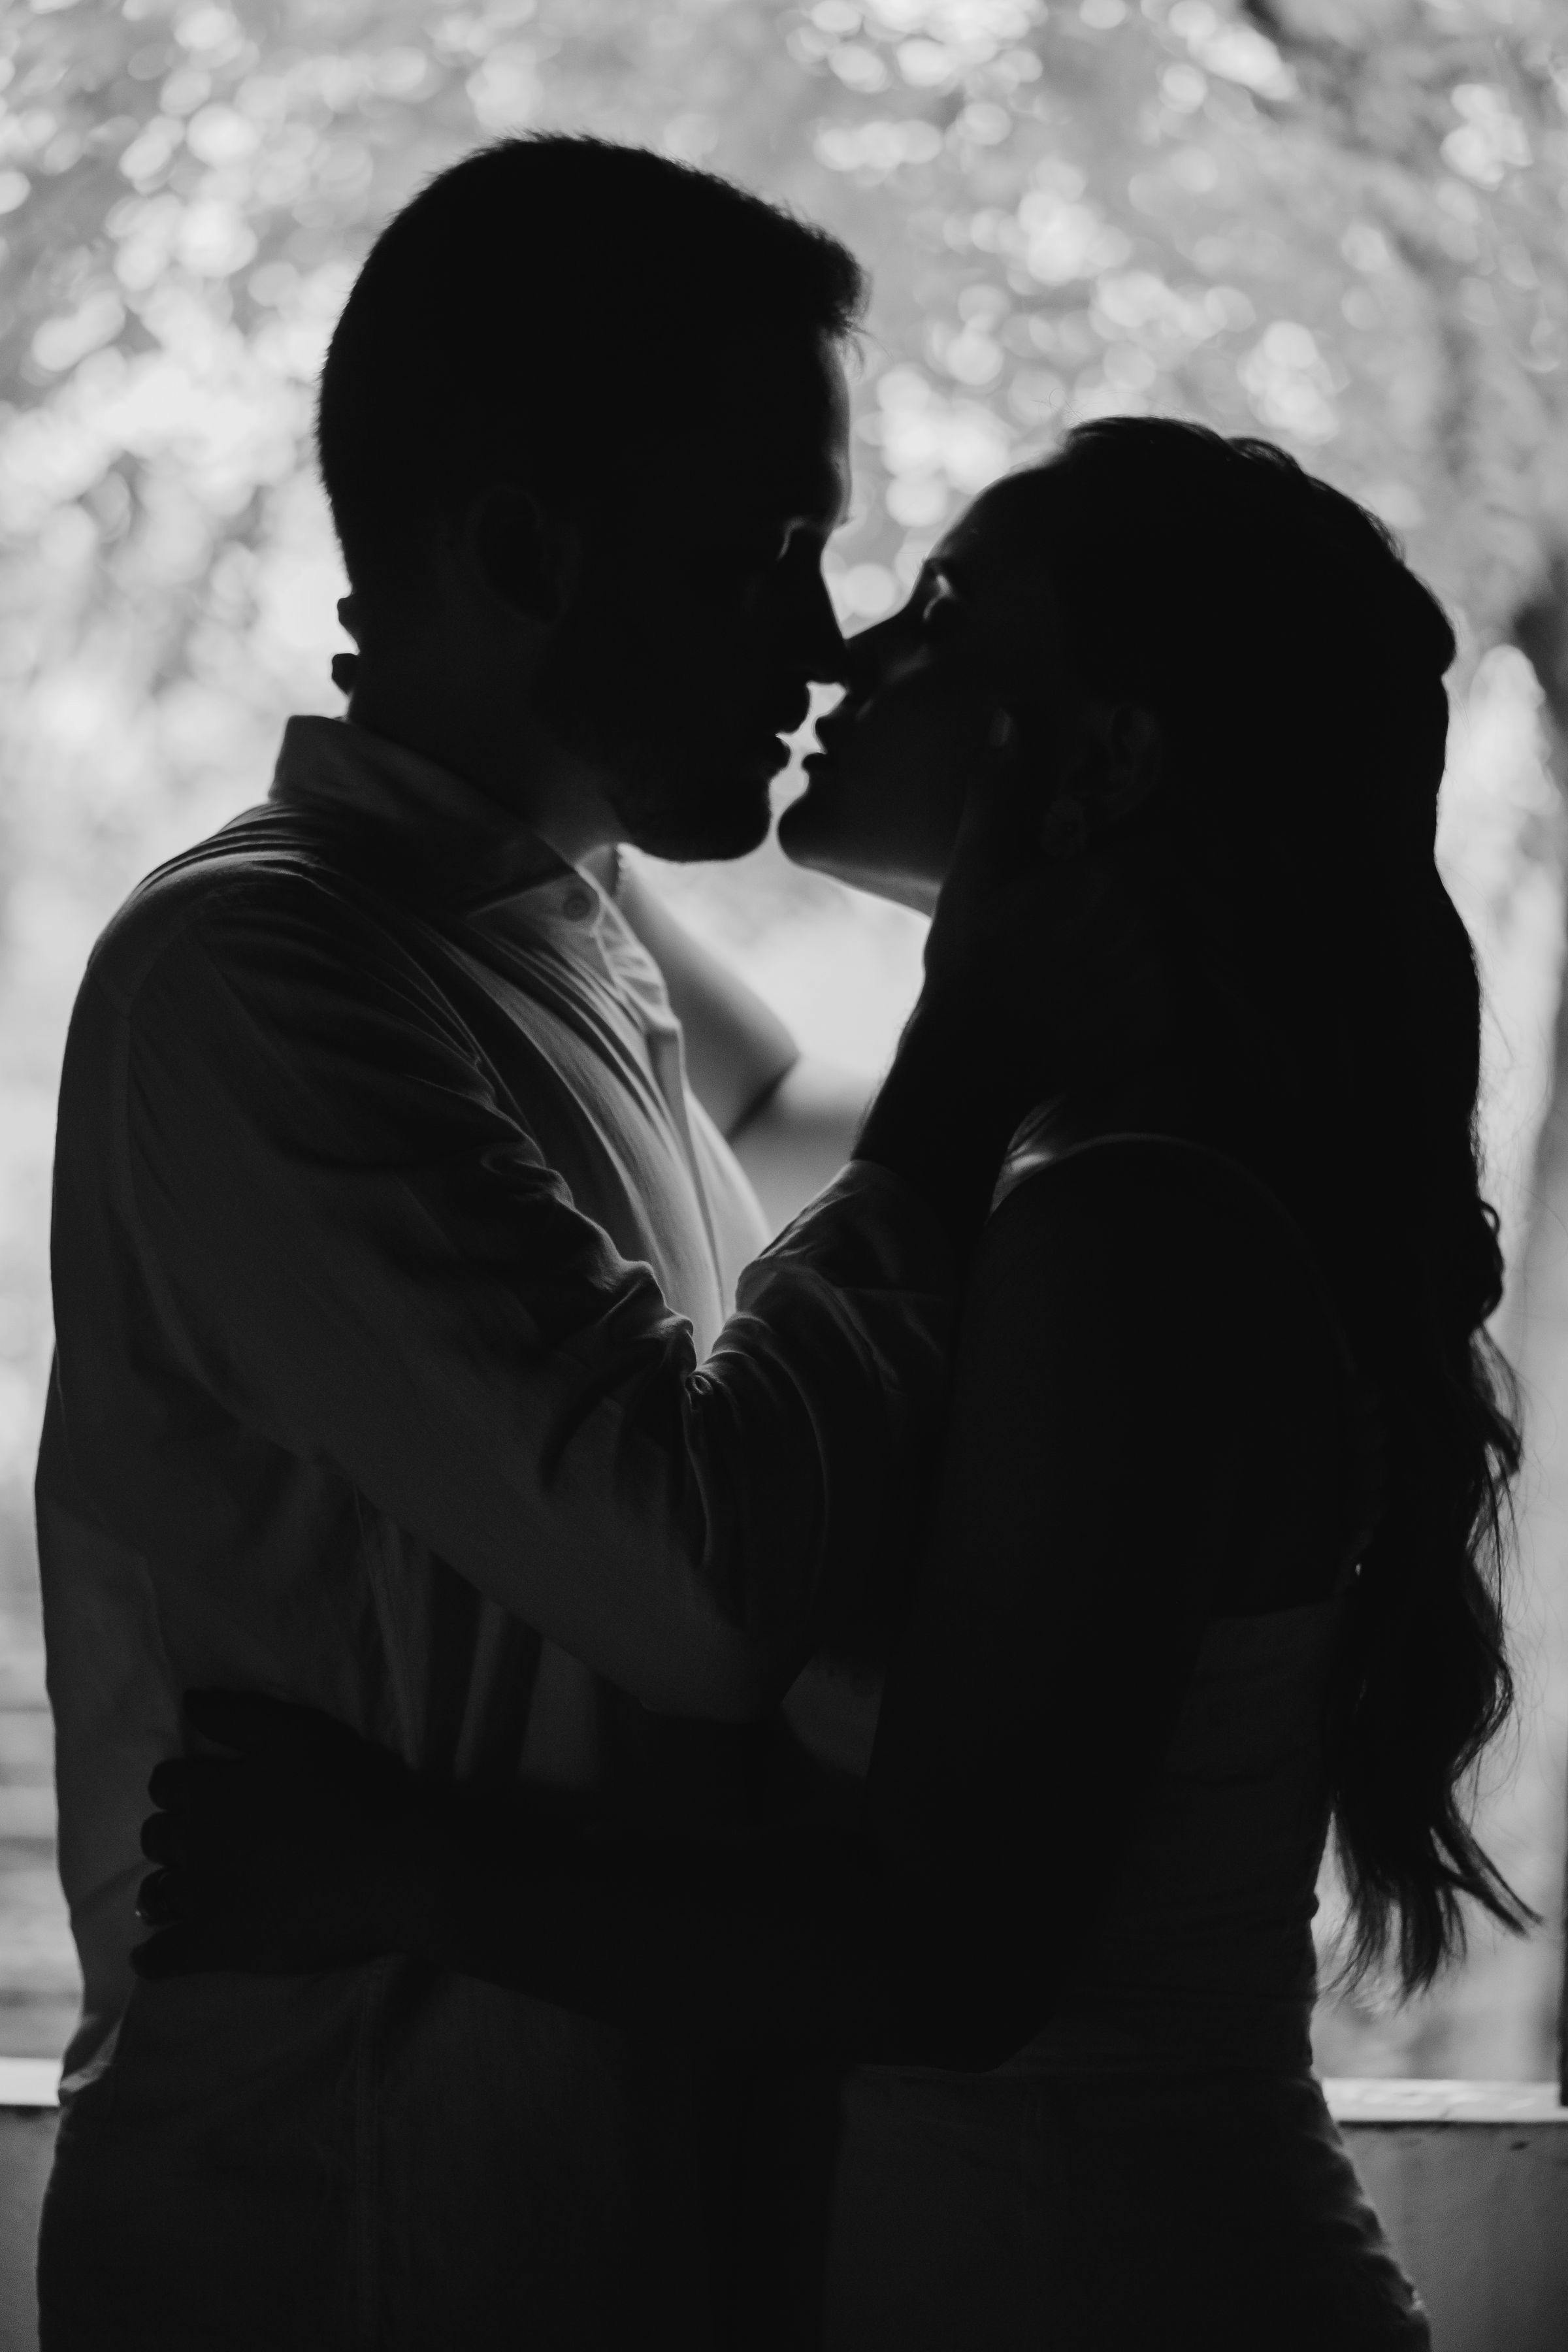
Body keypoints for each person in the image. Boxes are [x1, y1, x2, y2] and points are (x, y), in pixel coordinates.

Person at [140, 419, 1537, 2351]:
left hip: (1112, 2276)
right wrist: (546, 750)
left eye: (940, 619)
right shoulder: (1068, 1167)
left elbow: (951, 1960)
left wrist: (389, 1868)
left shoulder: (1132, 1227)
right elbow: (721, 1096)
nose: (845, 657)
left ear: (1108, 758)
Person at [35, 137, 1139, 2351]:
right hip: (347, 2236)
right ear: (527, 550)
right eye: (773, 552)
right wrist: (969, 1047)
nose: (825, 642)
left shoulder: (580, 940)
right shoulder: (255, 983)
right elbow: (703, 1581)